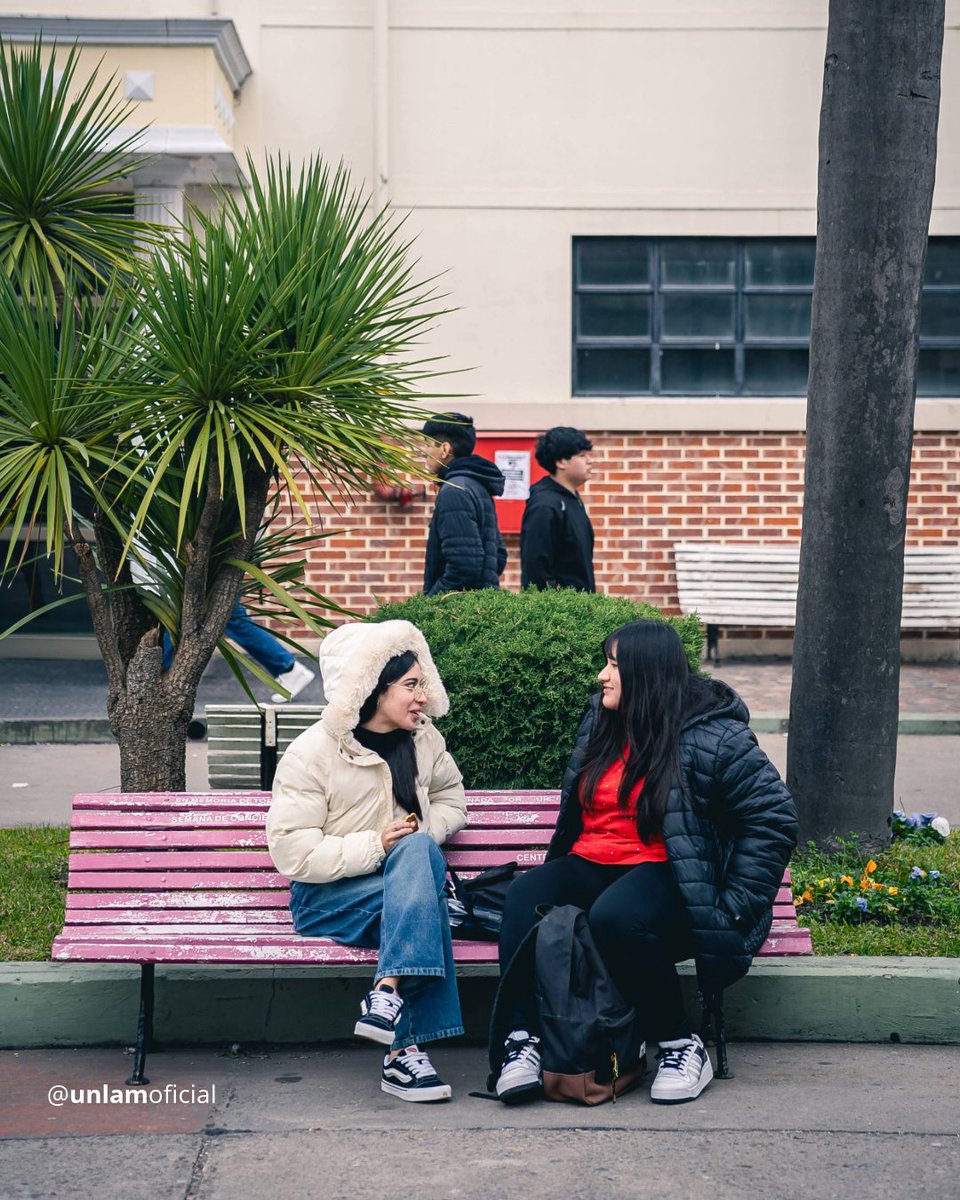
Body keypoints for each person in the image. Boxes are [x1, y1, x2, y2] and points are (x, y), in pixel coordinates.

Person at [491, 619, 797, 1106]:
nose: (601, 676)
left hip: (668, 869)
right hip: (595, 860)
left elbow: (772, 818)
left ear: (646, 674)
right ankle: (524, 1042)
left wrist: (735, 905)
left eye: (613, 665)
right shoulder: (602, 719)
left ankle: (679, 1043)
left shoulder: (712, 736)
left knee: (616, 917)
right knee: (525, 896)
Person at [266, 619, 467, 1103]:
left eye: (424, 684)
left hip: (401, 886)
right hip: (329, 898)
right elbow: (293, 852)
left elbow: (452, 801)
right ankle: (404, 1052)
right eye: (411, 685)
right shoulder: (313, 752)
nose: (423, 696)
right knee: (424, 902)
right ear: (374, 689)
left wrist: (421, 832)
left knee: (418, 859)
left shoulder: (424, 741)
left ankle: (388, 999)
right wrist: (378, 845)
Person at [421, 412, 508, 595]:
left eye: (427, 444)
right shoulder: (477, 485)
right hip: (480, 605)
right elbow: (498, 555)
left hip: (456, 612)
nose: (423, 452)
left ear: (444, 449)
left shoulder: (454, 490)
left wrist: (431, 600)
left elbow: (464, 567)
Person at [520, 426, 595, 592]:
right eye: (582, 456)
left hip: (580, 608)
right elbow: (536, 568)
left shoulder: (572, 500)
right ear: (561, 462)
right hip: (560, 612)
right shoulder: (545, 505)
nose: (590, 461)